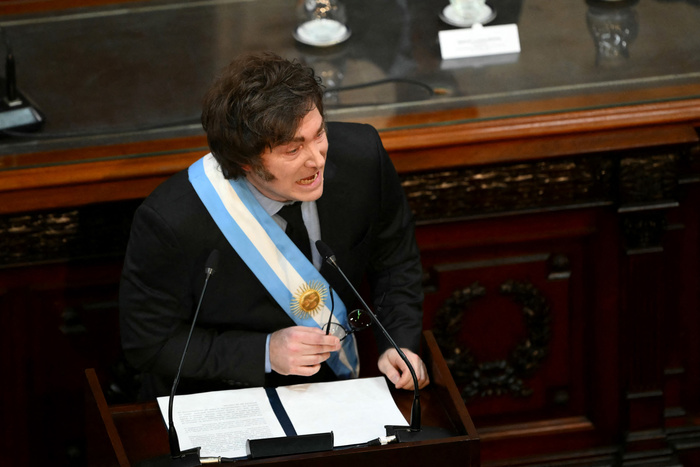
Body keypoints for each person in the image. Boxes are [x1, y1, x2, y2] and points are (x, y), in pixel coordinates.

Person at [119, 51, 429, 400]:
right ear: (245, 161)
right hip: (227, 396)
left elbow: (395, 259)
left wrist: (398, 341)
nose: (317, 160)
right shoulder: (171, 222)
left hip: (338, 391)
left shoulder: (362, 156)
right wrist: (264, 352)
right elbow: (148, 344)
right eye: (292, 150)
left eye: (318, 134)